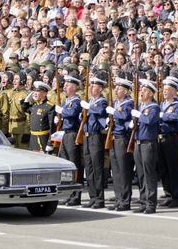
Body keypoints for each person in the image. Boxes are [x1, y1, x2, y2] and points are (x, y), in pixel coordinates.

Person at [131, 78, 160, 214]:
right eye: (141, 90)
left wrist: (139, 116)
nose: (141, 93)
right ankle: (143, 201)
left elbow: (149, 120)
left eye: (145, 91)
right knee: (141, 174)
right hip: (138, 143)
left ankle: (151, 203)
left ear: (151, 94)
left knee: (149, 174)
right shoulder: (141, 107)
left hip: (148, 143)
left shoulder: (153, 107)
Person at [80, 70, 108, 208]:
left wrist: (88, 107)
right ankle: (92, 196)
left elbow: (99, 111)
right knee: (89, 167)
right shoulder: (90, 101)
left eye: (94, 86)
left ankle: (99, 198)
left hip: (95, 136)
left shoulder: (101, 101)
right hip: (86, 136)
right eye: (91, 85)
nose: (91, 87)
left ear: (101, 88)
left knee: (97, 167)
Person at [107, 75, 134, 211]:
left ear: (126, 91)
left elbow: (124, 116)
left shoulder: (128, 103)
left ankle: (125, 200)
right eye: (116, 88)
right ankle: (118, 199)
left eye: (119, 88)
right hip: (114, 138)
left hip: (123, 138)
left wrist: (114, 114)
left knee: (123, 171)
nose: (116, 90)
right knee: (116, 171)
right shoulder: (116, 104)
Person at [56, 75, 83, 206]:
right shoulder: (66, 101)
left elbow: (71, 113)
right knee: (66, 164)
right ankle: (69, 194)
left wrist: (62, 111)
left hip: (73, 134)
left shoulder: (76, 101)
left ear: (74, 87)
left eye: (67, 85)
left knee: (74, 164)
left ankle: (76, 195)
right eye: (65, 85)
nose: (64, 87)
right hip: (65, 134)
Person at [158, 76, 178, 207]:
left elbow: (176, 117)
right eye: (164, 89)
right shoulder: (162, 104)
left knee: (173, 168)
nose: (165, 91)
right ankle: (168, 194)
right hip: (160, 137)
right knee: (163, 168)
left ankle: (176, 196)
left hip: (171, 138)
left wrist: (163, 116)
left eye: (168, 89)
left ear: (174, 91)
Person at [22, 81, 55, 153]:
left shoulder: (49, 107)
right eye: (34, 91)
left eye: (38, 91)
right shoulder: (34, 106)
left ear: (44, 93)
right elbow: (25, 108)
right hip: (33, 139)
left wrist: (50, 143)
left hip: (42, 140)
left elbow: (52, 127)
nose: (35, 93)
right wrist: (27, 100)